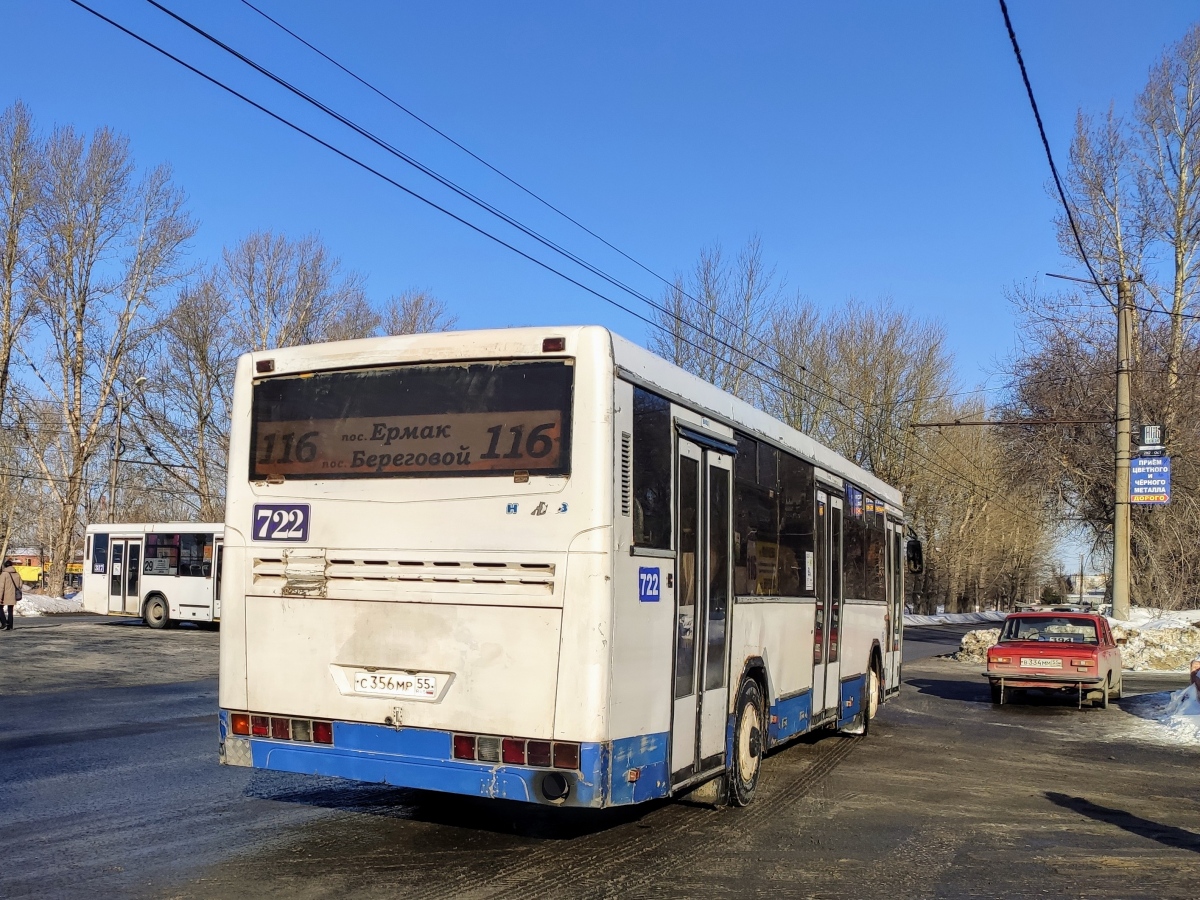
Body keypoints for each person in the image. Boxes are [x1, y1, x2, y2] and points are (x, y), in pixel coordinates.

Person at [1, 557, 20, 630]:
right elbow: (20, 585)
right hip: (13, 595)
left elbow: (1, 587)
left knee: (0, 608)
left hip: (4, 595)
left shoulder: (4, 574)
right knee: (10, 611)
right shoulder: (17, 574)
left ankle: (4, 622)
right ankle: (10, 626)